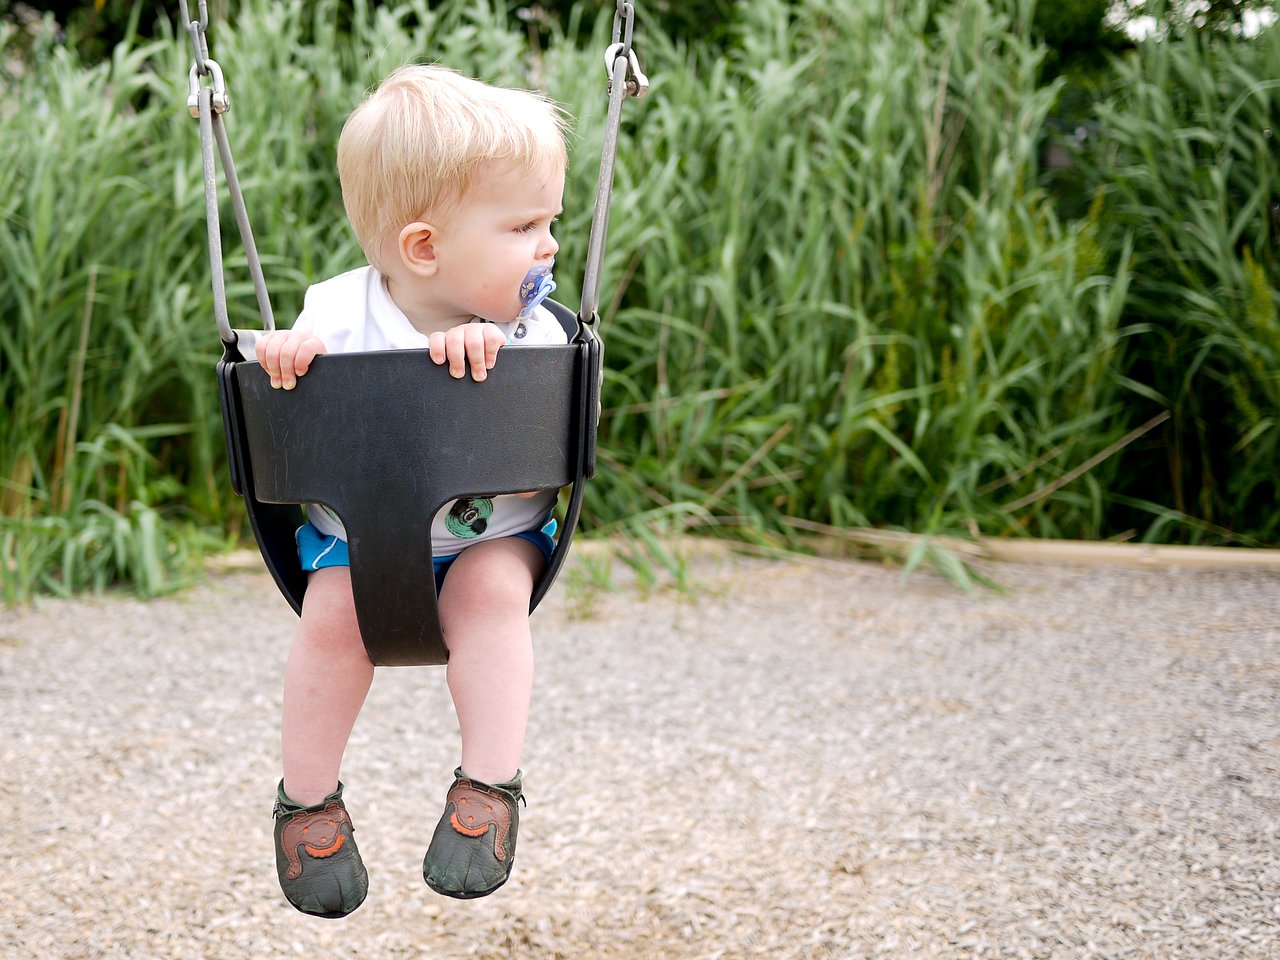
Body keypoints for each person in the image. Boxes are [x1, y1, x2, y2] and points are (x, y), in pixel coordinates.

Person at [253, 63, 569, 918]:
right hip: (357, 536)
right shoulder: (337, 311)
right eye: (524, 225)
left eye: (552, 223)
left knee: (494, 592)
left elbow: (550, 383)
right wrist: (283, 358)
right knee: (332, 625)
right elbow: (279, 361)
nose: (548, 247)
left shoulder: (527, 323)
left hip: (490, 533)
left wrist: (493, 348)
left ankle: (488, 786)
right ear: (425, 247)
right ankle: (307, 802)